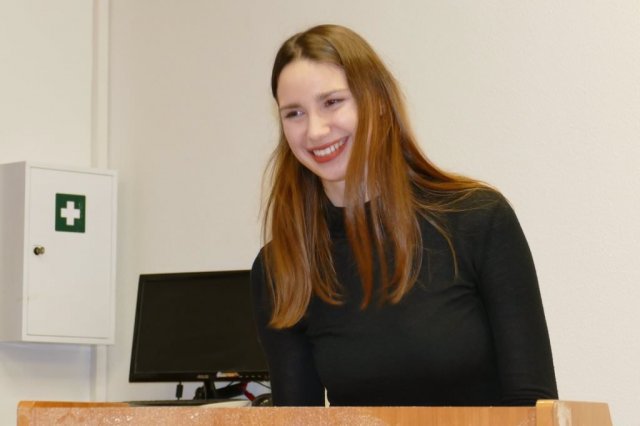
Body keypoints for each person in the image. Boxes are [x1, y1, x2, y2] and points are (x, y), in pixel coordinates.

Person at [251, 24, 558, 407]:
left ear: (378, 102)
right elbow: (298, 419)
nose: (315, 130)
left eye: (332, 102)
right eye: (294, 113)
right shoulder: (281, 266)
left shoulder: (477, 218)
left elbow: (533, 404)